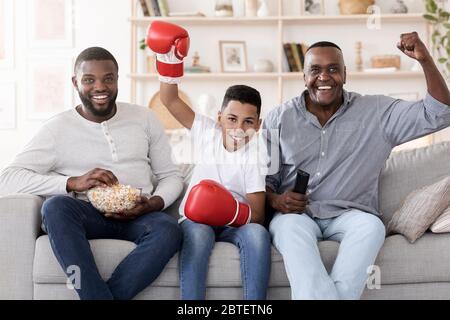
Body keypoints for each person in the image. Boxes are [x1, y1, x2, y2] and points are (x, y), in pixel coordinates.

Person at [263, 32, 450, 299]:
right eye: (315, 70)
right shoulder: (278, 118)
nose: (324, 77)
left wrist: (425, 60)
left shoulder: (377, 112)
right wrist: (277, 201)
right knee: (289, 229)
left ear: (345, 74)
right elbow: (264, 183)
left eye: (333, 69)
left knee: (371, 227)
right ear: (303, 76)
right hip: (297, 217)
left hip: (352, 215)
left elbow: (440, 113)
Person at [0, 47, 184, 300]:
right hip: (87, 215)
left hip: (139, 215)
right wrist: (72, 182)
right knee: (55, 208)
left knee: (169, 229)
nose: (100, 87)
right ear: (76, 83)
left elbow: (171, 176)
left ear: (118, 80)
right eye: (89, 80)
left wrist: (153, 203)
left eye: (108, 78)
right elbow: (7, 179)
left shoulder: (144, 118)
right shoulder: (57, 129)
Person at [146, 21, 271, 300]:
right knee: (199, 236)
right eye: (232, 119)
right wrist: (170, 59)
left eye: (248, 121)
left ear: (258, 124)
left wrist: (228, 210)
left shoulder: (256, 155)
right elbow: (169, 100)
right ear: (218, 118)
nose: (239, 127)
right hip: (197, 219)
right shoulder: (206, 132)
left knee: (258, 236)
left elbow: (258, 215)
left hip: (235, 223)